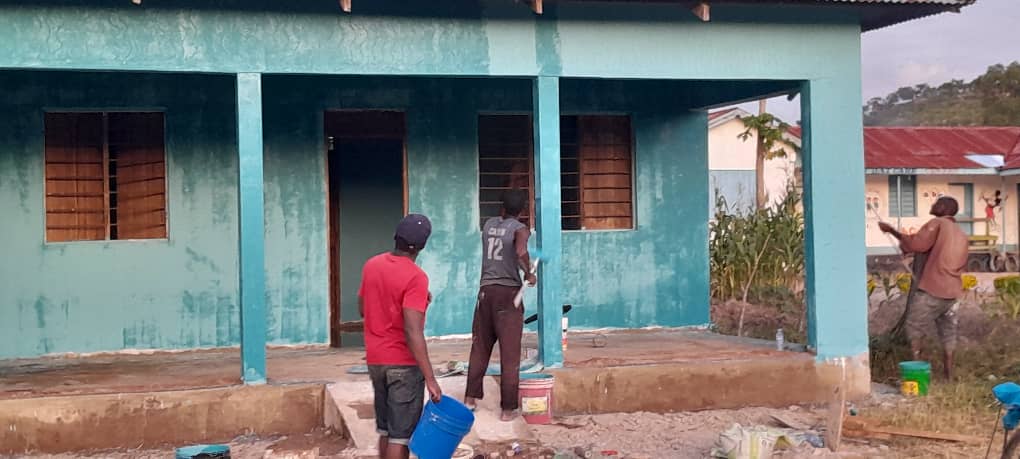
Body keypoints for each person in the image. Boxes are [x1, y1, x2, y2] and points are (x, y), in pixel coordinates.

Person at [359, 214, 442, 459]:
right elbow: (412, 330)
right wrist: (431, 378)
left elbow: (363, 309)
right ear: (422, 246)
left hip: (376, 361)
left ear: (396, 237)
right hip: (403, 365)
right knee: (401, 437)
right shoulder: (416, 277)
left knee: (385, 430)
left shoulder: (372, 265)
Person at [464, 190, 537, 421]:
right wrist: (529, 273)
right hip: (508, 294)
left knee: (480, 347)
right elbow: (520, 251)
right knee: (510, 353)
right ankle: (507, 409)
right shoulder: (520, 229)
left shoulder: (488, 226)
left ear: (502, 207)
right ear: (522, 211)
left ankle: (470, 399)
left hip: (485, 293)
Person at [878, 196, 968, 381]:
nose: (933, 205)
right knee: (948, 333)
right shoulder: (960, 232)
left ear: (944, 208)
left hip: (933, 289)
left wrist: (891, 231)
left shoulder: (937, 223)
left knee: (914, 326)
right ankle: (948, 375)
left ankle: (917, 372)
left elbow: (916, 244)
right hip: (953, 292)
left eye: (937, 203)